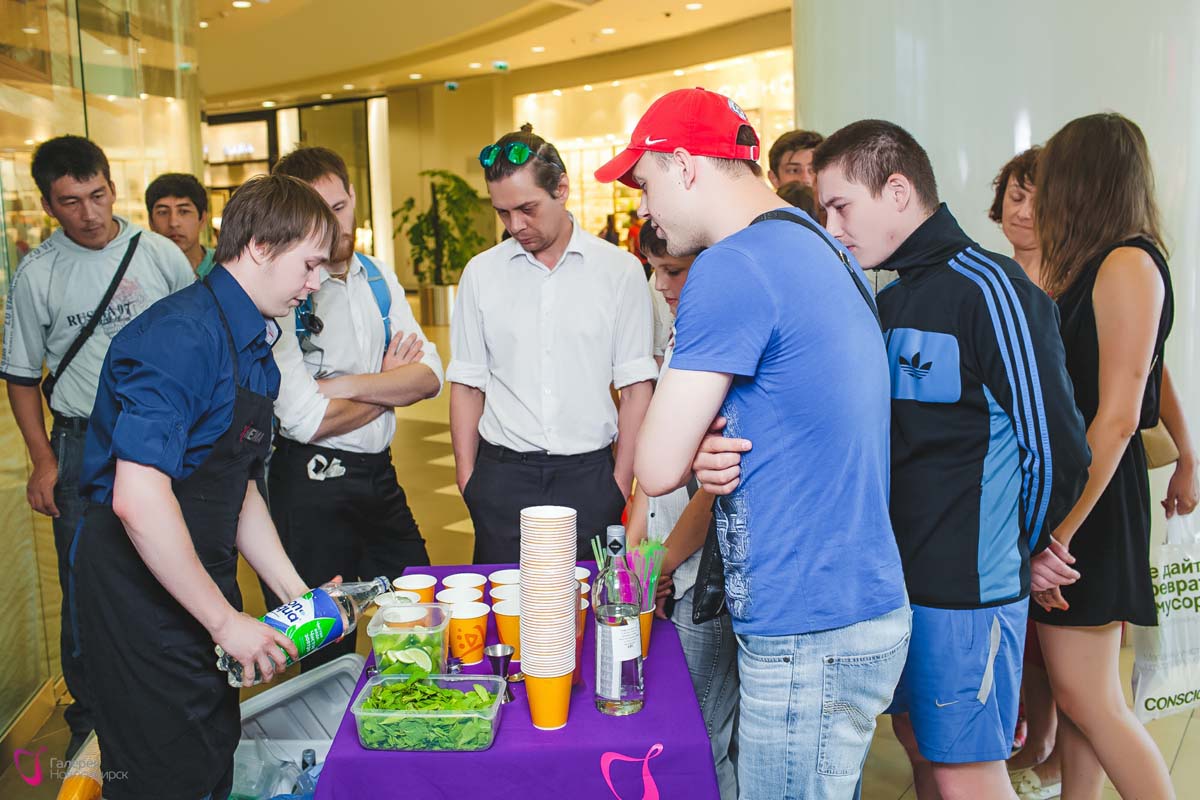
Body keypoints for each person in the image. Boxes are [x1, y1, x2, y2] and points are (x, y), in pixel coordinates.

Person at [598, 88, 910, 799]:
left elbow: (655, 464)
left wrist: (691, 439)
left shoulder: (732, 266)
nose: (645, 210)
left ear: (683, 165)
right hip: (851, 601)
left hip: (807, 620)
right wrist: (715, 436)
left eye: (645, 185)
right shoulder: (820, 245)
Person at [814, 119, 1091, 800]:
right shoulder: (889, 299)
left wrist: (1023, 545)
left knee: (966, 773)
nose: (831, 227)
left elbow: (1057, 448)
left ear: (897, 191)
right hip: (896, 585)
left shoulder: (990, 289)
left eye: (841, 206)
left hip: (968, 593)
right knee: (920, 749)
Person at [71, 174, 337, 800]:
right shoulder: (181, 336)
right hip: (138, 593)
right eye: (310, 264)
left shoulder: (257, 344)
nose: (316, 282)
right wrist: (223, 621)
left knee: (213, 753)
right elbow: (137, 498)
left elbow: (235, 483)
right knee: (164, 773)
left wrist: (295, 594)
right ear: (261, 246)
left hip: (199, 578)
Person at [0, 135, 192, 758]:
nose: (89, 213)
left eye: (98, 195)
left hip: (166, 435)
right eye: (70, 201)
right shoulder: (37, 273)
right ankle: (91, 722)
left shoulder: (158, 253)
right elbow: (21, 378)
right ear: (47, 205)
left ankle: (175, 700)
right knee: (86, 583)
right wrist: (43, 460)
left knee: (176, 567)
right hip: (84, 441)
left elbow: (198, 336)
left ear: (112, 187)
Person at [1030, 113, 1187, 800]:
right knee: (1082, 698)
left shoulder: (1128, 262)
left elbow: (1119, 416)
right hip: (1083, 488)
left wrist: (1059, 532)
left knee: (1091, 698)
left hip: (1092, 496)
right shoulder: (1100, 263)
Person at [448, 125, 655, 563]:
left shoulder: (619, 272)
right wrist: (469, 480)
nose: (515, 226)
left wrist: (620, 483)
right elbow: (467, 384)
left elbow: (636, 388)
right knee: (503, 600)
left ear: (561, 189)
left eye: (527, 209)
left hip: (590, 477)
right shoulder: (481, 273)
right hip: (501, 476)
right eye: (503, 212)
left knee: (587, 600)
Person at [269, 146, 441, 669]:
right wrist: (388, 387)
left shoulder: (377, 277)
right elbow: (306, 420)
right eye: (316, 213)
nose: (333, 225)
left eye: (340, 207)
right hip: (310, 485)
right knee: (325, 647)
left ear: (353, 198)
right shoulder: (285, 293)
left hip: (379, 477)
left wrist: (341, 385)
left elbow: (429, 377)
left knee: (419, 609)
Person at [625, 222, 738, 799]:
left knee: (702, 737)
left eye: (673, 270)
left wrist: (663, 562)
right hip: (667, 565)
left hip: (702, 580)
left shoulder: (722, 343)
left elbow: (713, 489)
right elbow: (653, 469)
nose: (660, 284)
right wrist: (638, 552)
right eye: (655, 270)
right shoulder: (679, 336)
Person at [990, 146, 1063, 800]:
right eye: (1015, 194)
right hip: (1002, 485)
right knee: (1025, 632)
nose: (1022, 210)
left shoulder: (1076, 281)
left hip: (1058, 482)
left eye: (1036, 198)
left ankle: (1051, 746)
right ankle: (1031, 739)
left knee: (1058, 641)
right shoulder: (990, 282)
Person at [146, 172, 216, 278]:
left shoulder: (228, 266)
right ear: (151, 222)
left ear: (202, 219)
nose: (173, 223)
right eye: (163, 212)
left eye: (184, 211)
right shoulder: (143, 273)